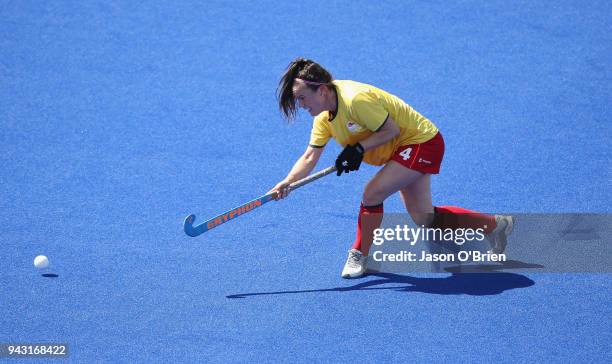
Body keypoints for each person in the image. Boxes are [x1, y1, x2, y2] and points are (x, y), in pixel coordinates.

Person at [269, 57, 513, 278]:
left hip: (421, 142)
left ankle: (360, 254)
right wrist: (287, 182)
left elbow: (391, 131)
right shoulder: (323, 118)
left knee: (372, 192)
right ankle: (496, 225)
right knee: (424, 218)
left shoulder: (356, 100)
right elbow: (311, 156)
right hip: (401, 151)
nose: (300, 104)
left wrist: (357, 150)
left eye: (301, 97)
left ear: (321, 90)